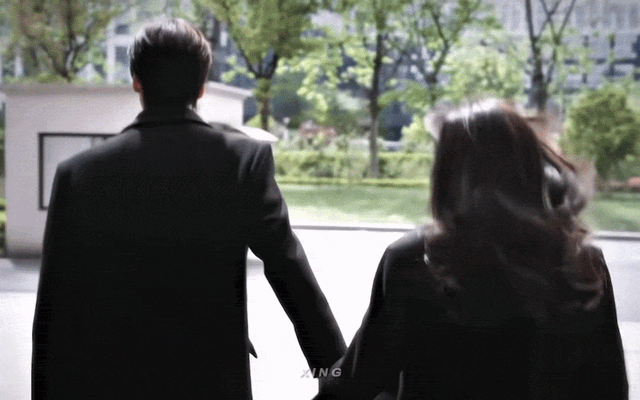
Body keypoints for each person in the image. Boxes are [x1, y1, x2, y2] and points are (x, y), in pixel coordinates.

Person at [32, 18, 345, 399]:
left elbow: (56, 309)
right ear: (201, 86)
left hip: (112, 380)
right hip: (212, 380)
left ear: (136, 80)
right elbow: (287, 268)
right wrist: (336, 370)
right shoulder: (242, 162)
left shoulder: (78, 174)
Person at [314, 99, 628, 399]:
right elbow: (609, 386)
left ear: (449, 177)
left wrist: (323, 370)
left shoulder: (416, 259)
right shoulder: (581, 261)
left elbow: (359, 381)